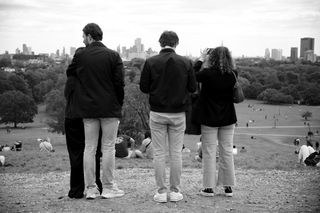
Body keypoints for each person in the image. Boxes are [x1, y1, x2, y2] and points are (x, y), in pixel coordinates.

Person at [66, 23, 125, 199]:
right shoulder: (113, 56)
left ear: (90, 36)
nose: (82, 40)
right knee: (108, 148)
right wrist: (118, 104)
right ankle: (108, 188)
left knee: (89, 148)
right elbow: (119, 84)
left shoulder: (81, 55)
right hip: (109, 108)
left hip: (88, 108)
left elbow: (70, 73)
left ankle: (91, 189)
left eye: (83, 36)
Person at [140, 31, 197, 203]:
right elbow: (193, 88)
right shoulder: (186, 62)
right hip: (178, 113)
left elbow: (144, 87)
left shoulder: (150, 62)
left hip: (158, 111)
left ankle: (161, 191)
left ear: (160, 43)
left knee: (159, 153)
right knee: (176, 153)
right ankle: (174, 191)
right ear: (176, 44)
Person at [193, 46, 237, 197]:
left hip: (209, 117)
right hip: (228, 117)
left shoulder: (207, 74)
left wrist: (201, 59)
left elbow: (192, 76)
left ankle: (208, 188)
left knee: (209, 152)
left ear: (212, 58)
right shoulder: (233, 74)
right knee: (227, 152)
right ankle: (228, 187)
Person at [65, 48, 103, 199]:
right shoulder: (93, 78)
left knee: (76, 154)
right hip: (91, 116)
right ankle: (96, 184)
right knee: (93, 152)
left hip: (73, 116)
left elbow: (67, 95)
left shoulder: (72, 78)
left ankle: (76, 189)